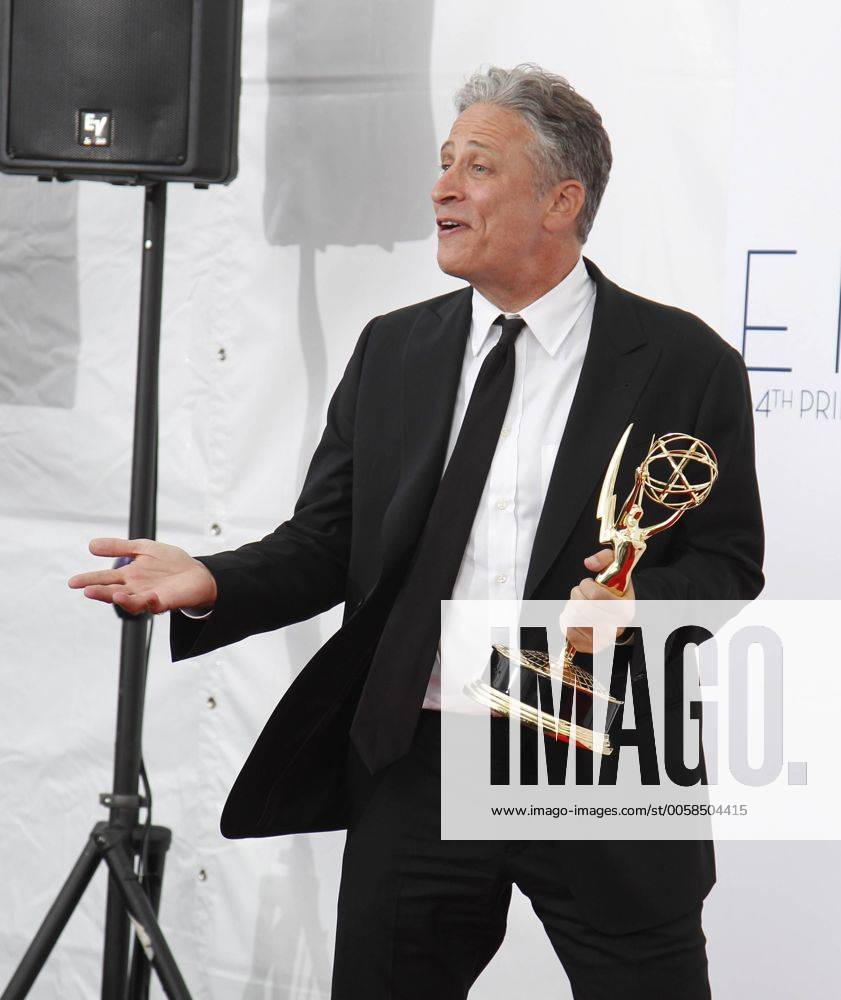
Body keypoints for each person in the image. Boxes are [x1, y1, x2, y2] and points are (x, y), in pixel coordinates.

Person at [70, 65, 764, 999]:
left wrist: (639, 606)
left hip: (597, 757)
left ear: (562, 200)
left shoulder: (681, 362)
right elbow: (327, 541)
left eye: (476, 167)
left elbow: (727, 561)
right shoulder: (394, 349)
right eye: (444, 163)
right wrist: (213, 579)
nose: (442, 187)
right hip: (422, 754)